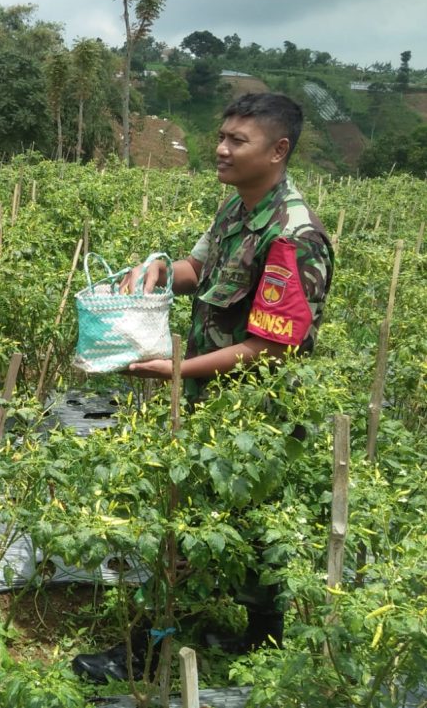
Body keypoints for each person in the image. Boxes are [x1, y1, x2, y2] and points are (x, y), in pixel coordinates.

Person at [72, 92, 333, 682]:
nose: (220, 148)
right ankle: (258, 640)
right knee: (241, 526)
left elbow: (271, 347)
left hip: (256, 414)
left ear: (278, 150)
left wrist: (175, 371)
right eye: (221, 136)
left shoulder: (293, 236)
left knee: (193, 532)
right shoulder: (238, 211)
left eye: (237, 140)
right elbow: (203, 270)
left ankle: (147, 652)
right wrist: (165, 269)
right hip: (217, 403)